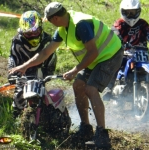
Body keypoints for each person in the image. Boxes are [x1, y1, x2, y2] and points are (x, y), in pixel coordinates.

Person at [9, 2, 124, 149]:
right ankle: (86, 128)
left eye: (49, 20)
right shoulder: (63, 29)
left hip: (110, 54)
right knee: (78, 86)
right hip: (95, 59)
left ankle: (102, 136)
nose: (50, 23)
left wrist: (75, 70)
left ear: (55, 18)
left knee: (90, 89)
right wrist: (24, 66)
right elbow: (45, 52)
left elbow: (93, 52)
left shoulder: (81, 24)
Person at [102, 0, 149, 101]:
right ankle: (109, 87)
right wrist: (117, 37)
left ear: (138, 11)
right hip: (124, 52)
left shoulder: (142, 24)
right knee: (114, 65)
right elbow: (115, 31)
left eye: (133, 12)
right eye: (128, 12)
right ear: (122, 11)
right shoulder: (120, 23)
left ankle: (144, 87)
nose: (130, 15)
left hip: (141, 53)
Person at [8, 10, 57, 118]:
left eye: (36, 32)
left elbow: (52, 58)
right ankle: (17, 116)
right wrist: (11, 71)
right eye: (29, 33)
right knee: (19, 92)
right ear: (22, 32)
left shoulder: (47, 40)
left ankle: (48, 116)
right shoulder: (17, 41)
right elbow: (13, 57)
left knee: (41, 94)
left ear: (41, 28)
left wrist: (48, 73)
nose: (33, 35)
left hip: (41, 70)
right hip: (22, 70)